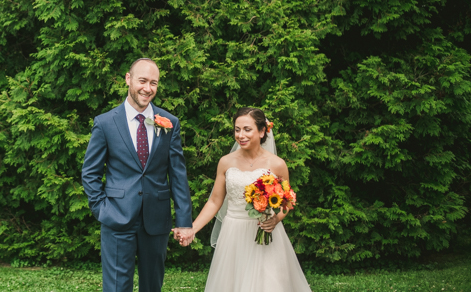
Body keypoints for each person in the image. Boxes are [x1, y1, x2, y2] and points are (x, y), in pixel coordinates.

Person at [81, 58, 193, 292]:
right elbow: (90, 173)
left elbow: (178, 176)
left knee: (152, 286)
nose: (148, 88)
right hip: (116, 218)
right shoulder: (105, 123)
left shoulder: (170, 123)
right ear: (128, 79)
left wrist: (184, 222)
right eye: (143, 81)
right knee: (115, 287)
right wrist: (102, 208)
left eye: (154, 83)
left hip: (156, 220)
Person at [174, 107, 311, 292]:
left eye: (247, 129)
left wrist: (276, 219)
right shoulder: (226, 162)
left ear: (262, 131)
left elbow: (288, 201)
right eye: (237, 129)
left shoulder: (277, 164)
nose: (241, 135)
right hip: (233, 234)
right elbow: (215, 201)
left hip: (265, 235)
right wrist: (192, 229)